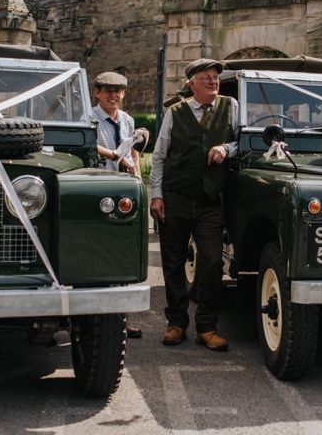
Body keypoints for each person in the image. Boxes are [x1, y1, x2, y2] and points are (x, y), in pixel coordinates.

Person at [149, 58, 238, 351]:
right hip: (176, 196)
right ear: (191, 84)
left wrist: (225, 148)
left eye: (215, 77)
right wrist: (156, 195)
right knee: (173, 263)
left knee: (212, 262)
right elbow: (159, 156)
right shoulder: (175, 112)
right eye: (206, 78)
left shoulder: (230, 107)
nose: (213, 81)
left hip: (210, 200)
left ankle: (207, 327)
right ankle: (176, 323)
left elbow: (242, 141)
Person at [92, 71, 142, 339]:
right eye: (107, 90)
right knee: (98, 254)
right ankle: (92, 319)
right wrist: (114, 155)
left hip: (123, 194)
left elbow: (132, 149)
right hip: (98, 191)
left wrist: (137, 172)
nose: (113, 95)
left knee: (122, 256)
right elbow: (90, 143)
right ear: (97, 93)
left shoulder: (127, 119)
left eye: (118, 91)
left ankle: (120, 320)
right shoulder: (89, 118)